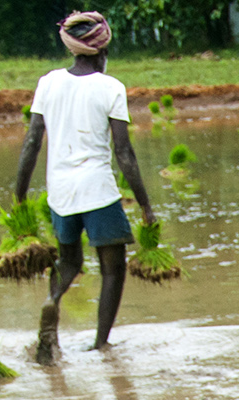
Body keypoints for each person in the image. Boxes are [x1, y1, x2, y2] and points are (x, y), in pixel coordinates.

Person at [14, 11, 153, 364]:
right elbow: (123, 151)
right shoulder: (111, 88)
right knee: (112, 268)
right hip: (98, 191)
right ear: (102, 49)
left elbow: (32, 142)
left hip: (60, 192)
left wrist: (19, 194)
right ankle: (101, 343)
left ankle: (53, 302)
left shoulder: (48, 83)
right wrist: (146, 205)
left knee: (69, 260)